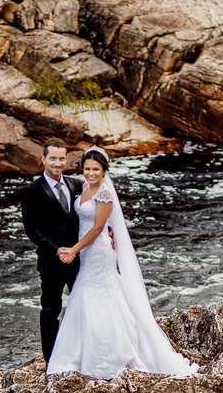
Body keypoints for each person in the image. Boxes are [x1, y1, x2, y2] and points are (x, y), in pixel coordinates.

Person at [45, 146, 198, 380]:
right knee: (85, 296)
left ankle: (112, 356)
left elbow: (97, 228)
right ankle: (82, 354)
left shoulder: (104, 194)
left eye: (96, 169)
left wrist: (74, 249)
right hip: (87, 251)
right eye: (87, 168)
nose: (91, 173)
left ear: (104, 171)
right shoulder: (83, 187)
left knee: (100, 293)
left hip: (98, 250)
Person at [20, 139, 84, 362]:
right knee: (50, 310)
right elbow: (32, 229)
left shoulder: (77, 184)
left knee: (83, 306)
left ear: (67, 159)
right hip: (51, 261)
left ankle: (81, 353)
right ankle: (51, 360)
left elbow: (89, 216)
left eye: (61, 158)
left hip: (78, 259)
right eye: (53, 158)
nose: (58, 163)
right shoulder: (31, 191)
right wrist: (57, 250)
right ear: (43, 159)